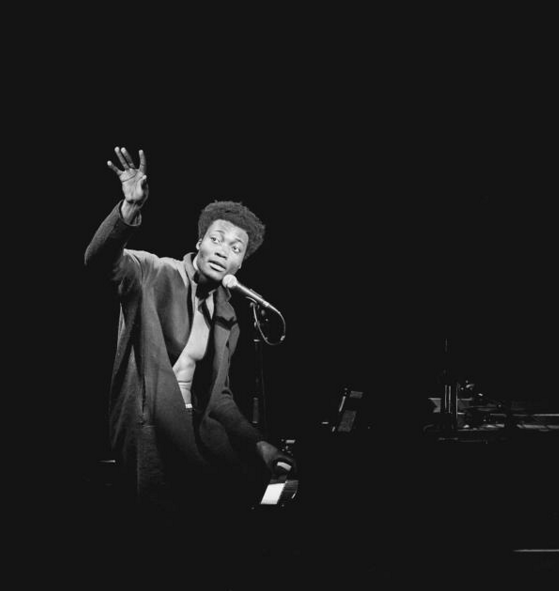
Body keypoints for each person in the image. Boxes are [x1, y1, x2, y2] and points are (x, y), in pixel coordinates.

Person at [84, 146, 295, 588]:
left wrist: (259, 444)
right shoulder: (153, 272)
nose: (223, 251)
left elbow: (219, 399)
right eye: (216, 239)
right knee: (165, 546)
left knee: (233, 521)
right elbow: (100, 259)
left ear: (241, 262)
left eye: (235, 248)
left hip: (195, 429)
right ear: (199, 242)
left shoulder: (228, 315)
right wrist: (128, 209)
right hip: (147, 426)